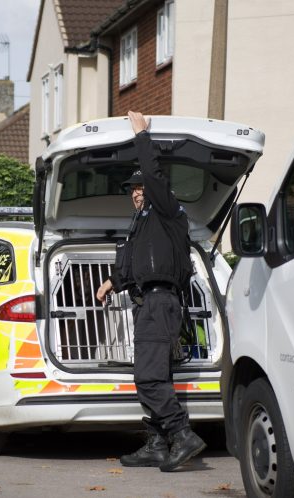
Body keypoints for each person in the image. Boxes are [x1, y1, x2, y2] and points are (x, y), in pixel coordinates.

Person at [96, 111, 206, 472]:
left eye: (142, 188)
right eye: (133, 189)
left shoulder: (168, 212)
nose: (137, 193)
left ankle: (181, 434)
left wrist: (141, 137)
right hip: (149, 303)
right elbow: (137, 262)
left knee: (148, 377)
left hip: (160, 304)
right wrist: (114, 280)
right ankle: (159, 444)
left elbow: (155, 176)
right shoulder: (141, 226)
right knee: (159, 375)